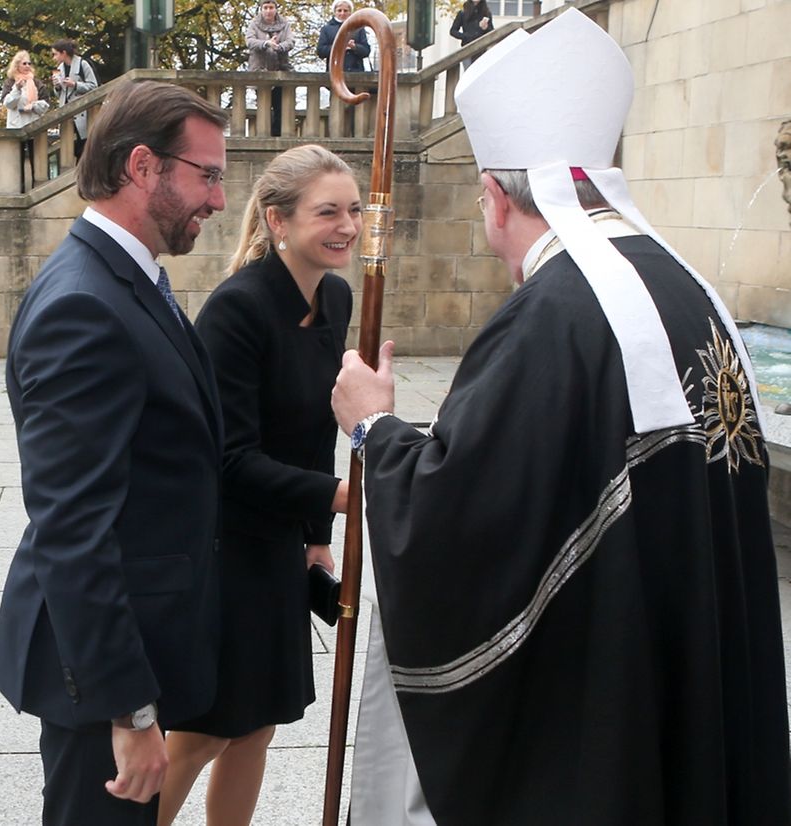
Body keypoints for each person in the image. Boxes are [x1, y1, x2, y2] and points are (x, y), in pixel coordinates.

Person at [333, 10, 791, 824]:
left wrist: (376, 428)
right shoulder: (689, 290)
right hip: (695, 667)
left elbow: (459, 514)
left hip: (607, 699)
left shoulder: (553, 314)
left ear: (494, 199)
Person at [0, 79, 229, 826]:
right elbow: (72, 528)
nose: (219, 200)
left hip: (134, 643)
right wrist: (129, 708)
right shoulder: (83, 304)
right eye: (208, 175)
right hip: (100, 671)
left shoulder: (126, 277)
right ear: (143, 167)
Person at [157, 144, 357, 826]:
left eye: (354, 210)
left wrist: (317, 540)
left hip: (278, 539)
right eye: (326, 211)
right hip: (223, 543)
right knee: (203, 729)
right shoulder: (235, 311)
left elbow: (317, 430)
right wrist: (339, 497)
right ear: (277, 221)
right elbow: (229, 459)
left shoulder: (335, 296)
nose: (347, 226)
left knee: (259, 723)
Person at [1, 51, 51, 189]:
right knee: (17, 159)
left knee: (36, 158)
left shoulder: (36, 82)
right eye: (24, 63)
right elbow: (8, 104)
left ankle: (38, 187)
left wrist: (33, 106)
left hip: (33, 125)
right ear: (17, 65)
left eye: (29, 63)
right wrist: (16, 89)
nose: (27, 66)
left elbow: (46, 104)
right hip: (16, 126)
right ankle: (19, 188)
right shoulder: (10, 82)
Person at [246, 0, 295, 137]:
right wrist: (266, 43)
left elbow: (290, 41)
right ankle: (264, 135)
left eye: (271, 7)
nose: (268, 10)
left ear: (276, 9)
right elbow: (250, 41)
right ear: (261, 9)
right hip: (260, 71)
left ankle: (278, 136)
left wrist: (280, 47)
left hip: (281, 69)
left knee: (281, 107)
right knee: (264, 106)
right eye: (265, 7)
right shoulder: (254, 24)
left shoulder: (285, 24)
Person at [51, 38, 99, 160]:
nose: (54, 58)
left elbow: (94, 87)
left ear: (64, 53)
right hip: (67, 114)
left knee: (83, 145)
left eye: (55, 54)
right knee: (71, 148)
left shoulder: (83, 64)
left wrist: (75, 85)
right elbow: (61, 95)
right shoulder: (60, 69)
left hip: (82, 114)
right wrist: (57, 87)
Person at [316, 0, 370, 72]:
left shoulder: (359, 28)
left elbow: (366, 51)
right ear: (335, 12)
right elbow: (321, 52)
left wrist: (354, 47)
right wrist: (338, 46)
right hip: (334, 72)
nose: (342, 13)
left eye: (345, 11)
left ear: (350, 12)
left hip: (356, 73)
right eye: (339, 10)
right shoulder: (326, 29)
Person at [449, 0, 493, 65]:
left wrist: (485, 28)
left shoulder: (486, 13)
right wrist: (465, 36)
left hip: (481, 49)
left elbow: (492, 32)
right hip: (467, 48)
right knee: (469, 72)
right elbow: (453, 31)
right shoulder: (463, 12)